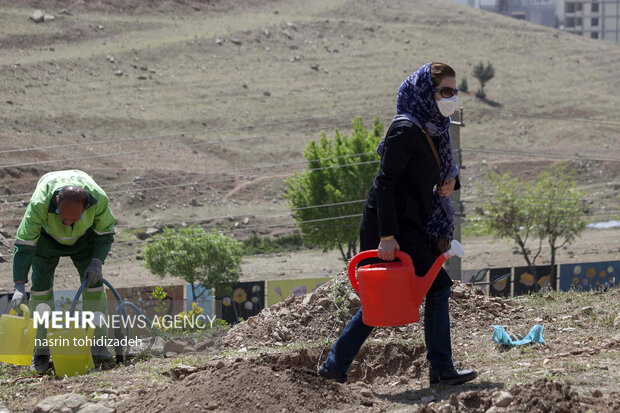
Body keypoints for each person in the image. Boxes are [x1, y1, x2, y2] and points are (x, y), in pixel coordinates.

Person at [317, 62, 477, 386]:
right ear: (425, 93)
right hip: (390, 228)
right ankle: (441, 368)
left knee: (385, 298)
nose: (452, 97)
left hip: (409, 225)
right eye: (446, 91)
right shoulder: (405, 130)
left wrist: (451, 184)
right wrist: (387, 237)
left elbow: (433, 174)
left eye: (455, 91)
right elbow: (384, 185)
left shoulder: (434, 129)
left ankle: (334, 366)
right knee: (436, 288)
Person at [9, 170, 115, 373]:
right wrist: (19, 285)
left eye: (73, 220)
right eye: (63, 218)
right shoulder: (40, 203)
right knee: (40, 292)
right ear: (56, 202)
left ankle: (98, 345)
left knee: (94, 286)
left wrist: (96, 262)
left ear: (86, 208)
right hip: (45, 243)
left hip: (85, 241)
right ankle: (41, 351)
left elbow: (106, 233)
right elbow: (24, 244)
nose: (67, 225)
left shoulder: (99, 199)